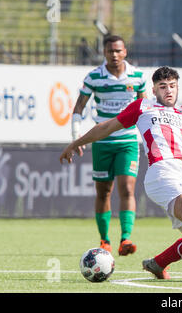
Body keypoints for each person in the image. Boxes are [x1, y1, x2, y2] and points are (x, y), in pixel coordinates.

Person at [61, 45, 182, 281]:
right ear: (153, 90)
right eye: (163, 86)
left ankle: (157, 263)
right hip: (161, 172)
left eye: (172, 86)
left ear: (177, 88)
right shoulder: (143, 107)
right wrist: (76, 142)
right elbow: (106, 126)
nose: (168, 90)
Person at [71, 35, 147, 256]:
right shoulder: (94, 77)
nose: (114, 55)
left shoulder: (138, 77)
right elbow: (78, 108)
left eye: (118, 51)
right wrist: (76, 136)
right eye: (110, 51)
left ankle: (125, 238)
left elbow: (144, 108)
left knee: (128, 188)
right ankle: (105, 240)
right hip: (102, 142)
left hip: (128, 141)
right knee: (104, 191)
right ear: (104, 52)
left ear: (125, 52)